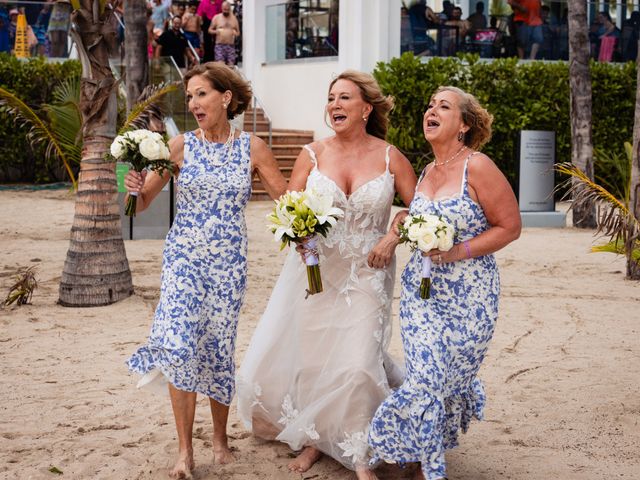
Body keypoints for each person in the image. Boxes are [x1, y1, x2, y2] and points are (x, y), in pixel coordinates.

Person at [236, 70, 417, 480]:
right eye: (331, 98)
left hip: (369, 275)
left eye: (345, 98)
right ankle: (316, 438)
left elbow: (418, 206)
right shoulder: (312, 154)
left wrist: (391, 237)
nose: (335, 105)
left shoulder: (390, 156)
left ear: (366, 108)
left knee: (357, 363)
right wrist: (299, 238)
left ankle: (359, 452)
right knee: (316, 360)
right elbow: (289, 209)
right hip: (318, 273)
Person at [126, 62, 287, 479]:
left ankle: (219, 439)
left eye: (202, 94)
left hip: (228, 264)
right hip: (183, 259)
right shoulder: (179, 147)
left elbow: (288, 201)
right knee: (180, 347)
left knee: (217, 348)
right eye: (191, 96)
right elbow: (143, 203)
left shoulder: (253, 148)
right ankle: (185, 452)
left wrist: (318, 213)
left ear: (226, 98)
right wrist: (133, 187)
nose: (194, 103)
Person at [368, 86, 521, 480]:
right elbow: (412, 215)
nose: (431, 111)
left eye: (444, 106)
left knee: (449, 379)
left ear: (464, 125)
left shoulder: (478, 167)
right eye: (430, 105)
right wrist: (395, 231)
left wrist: (458, 251)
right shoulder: (426, 172)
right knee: (426, 377)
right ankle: (426, 467)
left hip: (471, 295)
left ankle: (415, 453)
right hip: (422, 293)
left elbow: (510, 227)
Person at [208, 1, 239, 66]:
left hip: (230, 45)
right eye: (224, 9)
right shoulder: (217, 17)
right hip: (219, 45)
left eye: (227, 9)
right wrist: (216, 31)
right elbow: (209, 30)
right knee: (220, 66)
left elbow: (238, 33)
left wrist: (235, 33)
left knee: (231, 66)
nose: (226, 11)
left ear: (230, 9)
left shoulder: (234, 19)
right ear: (222, 8)